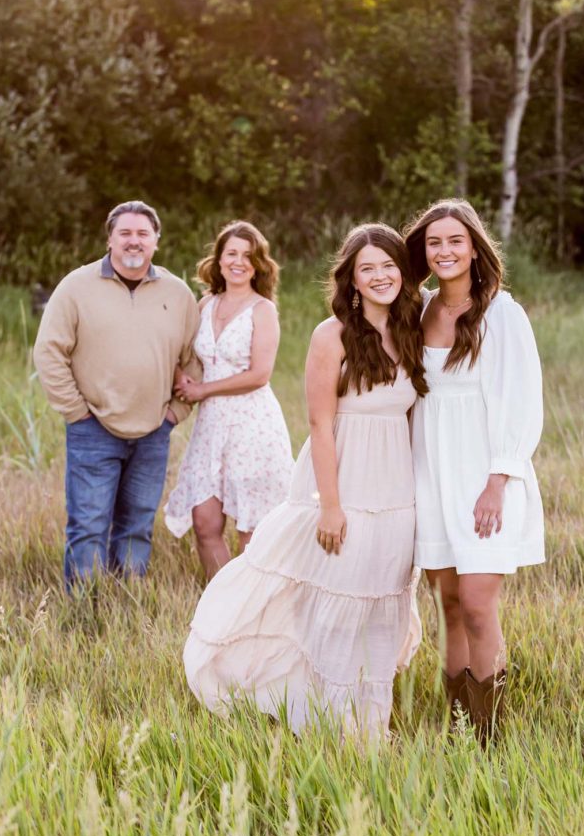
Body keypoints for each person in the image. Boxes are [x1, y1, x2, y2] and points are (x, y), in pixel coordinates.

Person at [183, 223, 428, 737]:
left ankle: (370, 723)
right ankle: (325, 721)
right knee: (337, 599)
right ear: (352, 280)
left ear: (403, 274)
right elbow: (320, 425)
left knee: (384, 602)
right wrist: (330, 506)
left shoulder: (413, 327)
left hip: (397, 492)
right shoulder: (331, 335)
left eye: (389, 266)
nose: (380, 276)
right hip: (345, 484)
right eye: (368, 269)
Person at [404, 198, 544, 744]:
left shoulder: (501, 313)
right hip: (431, 473)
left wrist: (497, 480)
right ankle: (459, 724)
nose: (444, 250)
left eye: (455, 241)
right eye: (434, 242)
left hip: (486, 478)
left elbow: (522, 400)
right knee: (450, 605)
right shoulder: (416, 311)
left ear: (474, 247)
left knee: (480, 604)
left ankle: (491, 734)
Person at [33, 200, 200, 588]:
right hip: (93, 429)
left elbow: (194, 360)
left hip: (153, 432)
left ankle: (126, 607)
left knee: (137, 526)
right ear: (109, 239)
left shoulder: (177, 294)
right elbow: (49, 351)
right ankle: (84, 613)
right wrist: (76, 412)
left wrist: (174, 414)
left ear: (156, 241)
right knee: (89, 526)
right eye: (125, 233)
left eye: (143, 234)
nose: (133, 241)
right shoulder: (76, 288)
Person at [164, 220, 294, 579]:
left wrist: (201, 391)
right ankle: (220, 608)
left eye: (248, 256)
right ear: (219, 259)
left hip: (252, 424)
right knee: (204, 523)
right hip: (211, 426)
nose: (239, 262)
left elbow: (259, 374)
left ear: (258, 265)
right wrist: (180, 377)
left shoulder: (262, 309)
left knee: (250, 532)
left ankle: (251, 612)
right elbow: (181, 352)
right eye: (231, 253)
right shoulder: (205, 303)